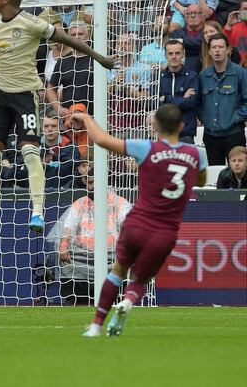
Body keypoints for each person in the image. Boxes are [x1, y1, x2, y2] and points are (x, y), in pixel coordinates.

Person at [0, 0, 116, 238]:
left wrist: (99, 58)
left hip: (24, 96)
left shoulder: (31, 23)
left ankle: (37, 212)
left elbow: (66, 38)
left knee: (31, 153)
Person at [77, 104, 207, 337]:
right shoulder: (196, 154)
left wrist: (86, 117)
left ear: (155, 125)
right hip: (166, 232)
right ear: (182, 126)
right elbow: (202, 179)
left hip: (137, 224)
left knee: (117, 271)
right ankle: (127, 301)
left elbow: (102, 139)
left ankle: (96, 325)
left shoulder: (146, 147)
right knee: (141, 278)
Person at [55, 165, 131, 305]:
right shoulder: (80, 204)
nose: (91, 187)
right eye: (89, 183)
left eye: (93, 182)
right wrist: (63, 245)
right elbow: (68, 227)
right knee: (63, 255)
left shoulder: (121, 204)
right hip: (81, 257)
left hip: (111, 256)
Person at [196, 34, 247, 165]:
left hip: (234, 134)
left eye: (220, 47)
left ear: (228, 50)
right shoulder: (203, 75)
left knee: (237, 173)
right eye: (214, 47)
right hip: (210, 135)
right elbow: (198, 103)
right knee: (215, 175)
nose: (217, 50)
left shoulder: (241, 73)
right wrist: (205, 118)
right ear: (209, 51)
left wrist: (235, 118)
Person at [158, 39, 199, 144]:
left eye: (177, 53)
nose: (174, 56)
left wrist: (167, 99)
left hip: (185, 133)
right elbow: (156, 103)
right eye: (170, 53)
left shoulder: (192, 76)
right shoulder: (159, 78)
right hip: (164, 133)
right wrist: (182, 98)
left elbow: (190, 103)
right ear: (165, 56)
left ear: (183, 55)